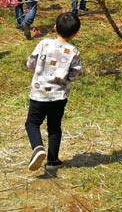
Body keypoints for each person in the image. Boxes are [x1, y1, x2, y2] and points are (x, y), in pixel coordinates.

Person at [25, 12, 84, 172]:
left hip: (38, 94)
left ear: (55, 27)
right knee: (54, 126)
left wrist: (36, 70)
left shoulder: (44, 44)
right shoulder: (73, 51)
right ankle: (52, 160)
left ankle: (37, 147)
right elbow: (76, 72)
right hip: (59, 96)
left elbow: (31, 63)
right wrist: (66, 79)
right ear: (75, 33)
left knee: (32, 123)